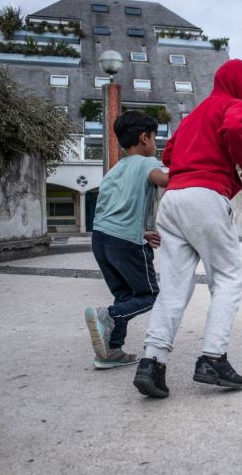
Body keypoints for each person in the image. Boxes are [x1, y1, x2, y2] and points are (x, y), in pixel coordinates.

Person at [133, 59, 242, 399]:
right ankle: (212, 358)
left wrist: (193, 168)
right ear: (239, 86)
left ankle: (152, 362)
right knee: (228, 277)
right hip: (206, 197)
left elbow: (171, 152)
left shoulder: (195, 115)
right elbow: (235, 130)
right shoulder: (232, 106)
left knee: (174, 286)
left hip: (173, 199)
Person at [84, 110, 168, 369]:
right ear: (144, 138)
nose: (156, 144)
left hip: (101, 240)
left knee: (124, 295)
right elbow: (166, 179)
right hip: (126, 243)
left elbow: (111, 208)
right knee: (150, 296)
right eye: (155, 139)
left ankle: (111, 352)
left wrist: (140, 230)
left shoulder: (114, 170)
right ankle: (107, 316)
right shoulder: (147, 163)